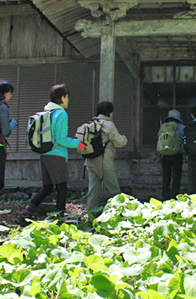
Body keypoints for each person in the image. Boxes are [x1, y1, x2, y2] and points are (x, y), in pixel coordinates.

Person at [16, 84, 86, 227]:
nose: (68, 100)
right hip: (56, 155)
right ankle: (59, 220)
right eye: (67, 97)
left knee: (47, 188)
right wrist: (78, 143)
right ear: (62, 97)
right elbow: (61, 139)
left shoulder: (47, 112)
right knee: (62, 187)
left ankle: (25, 215)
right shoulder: (61, 114)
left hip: (45, 153)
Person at [86, 101, 127, 210]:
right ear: (110, 112)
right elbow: (120, 142)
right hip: (104, 162)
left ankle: (91, 218)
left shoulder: (91, 124)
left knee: (93, 193)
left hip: (90, 162)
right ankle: (120, 216)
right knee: (116, 192)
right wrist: (124, 138)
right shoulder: (109, 125)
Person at [157, 109, 184, 200]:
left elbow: (159, 137)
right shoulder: (181, 127)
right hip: (177, 154)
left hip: (165, 154)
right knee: (176, 176)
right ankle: (175, 195)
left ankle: (165, 195)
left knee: (166, 175)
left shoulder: (163, 127)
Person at [0, 80, 18, 193]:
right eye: (10, 93)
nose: (10, 96)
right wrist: (10, 125)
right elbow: (6, 132)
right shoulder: (3, 107)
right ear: (5, 93)